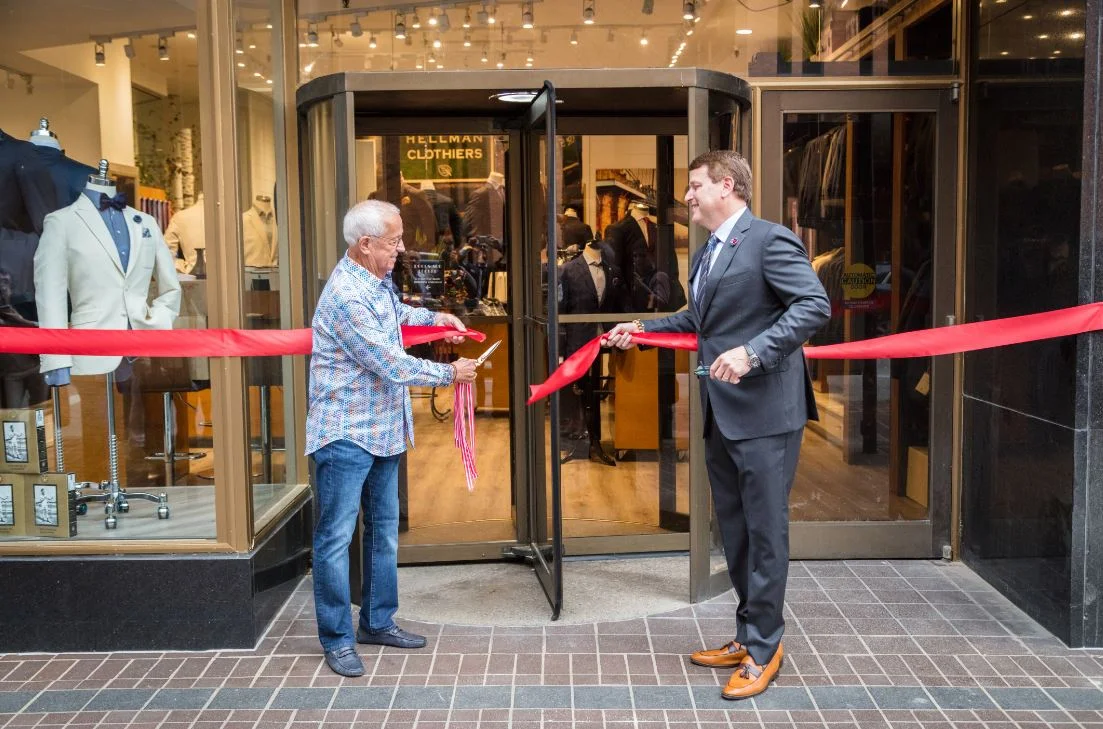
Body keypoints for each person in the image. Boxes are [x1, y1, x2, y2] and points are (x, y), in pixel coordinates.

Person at [607, 150, 830, 700]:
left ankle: (764, 649)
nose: (687, 196)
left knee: (765, 533)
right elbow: (697, 321)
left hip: (766, 414)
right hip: (723, 416)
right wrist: (643, 327)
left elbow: (813, 305)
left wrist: (753, 353)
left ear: (726, 185)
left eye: (695, 185)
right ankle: (746, 633)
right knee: (736, 533)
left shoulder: (770, 240)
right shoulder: (708, 251)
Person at [306, 199, 478, 678]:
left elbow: (396, 313)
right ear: (365, 245)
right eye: (393, 241)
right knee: (335, 538)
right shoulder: (344, 295)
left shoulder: (375, 283)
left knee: (383, 531)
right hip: (345, 433)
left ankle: (377, 621)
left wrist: (437, 319)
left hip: (383, 429)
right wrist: (449, 372)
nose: (402, 249)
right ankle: (337, 638)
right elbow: (387, 360)